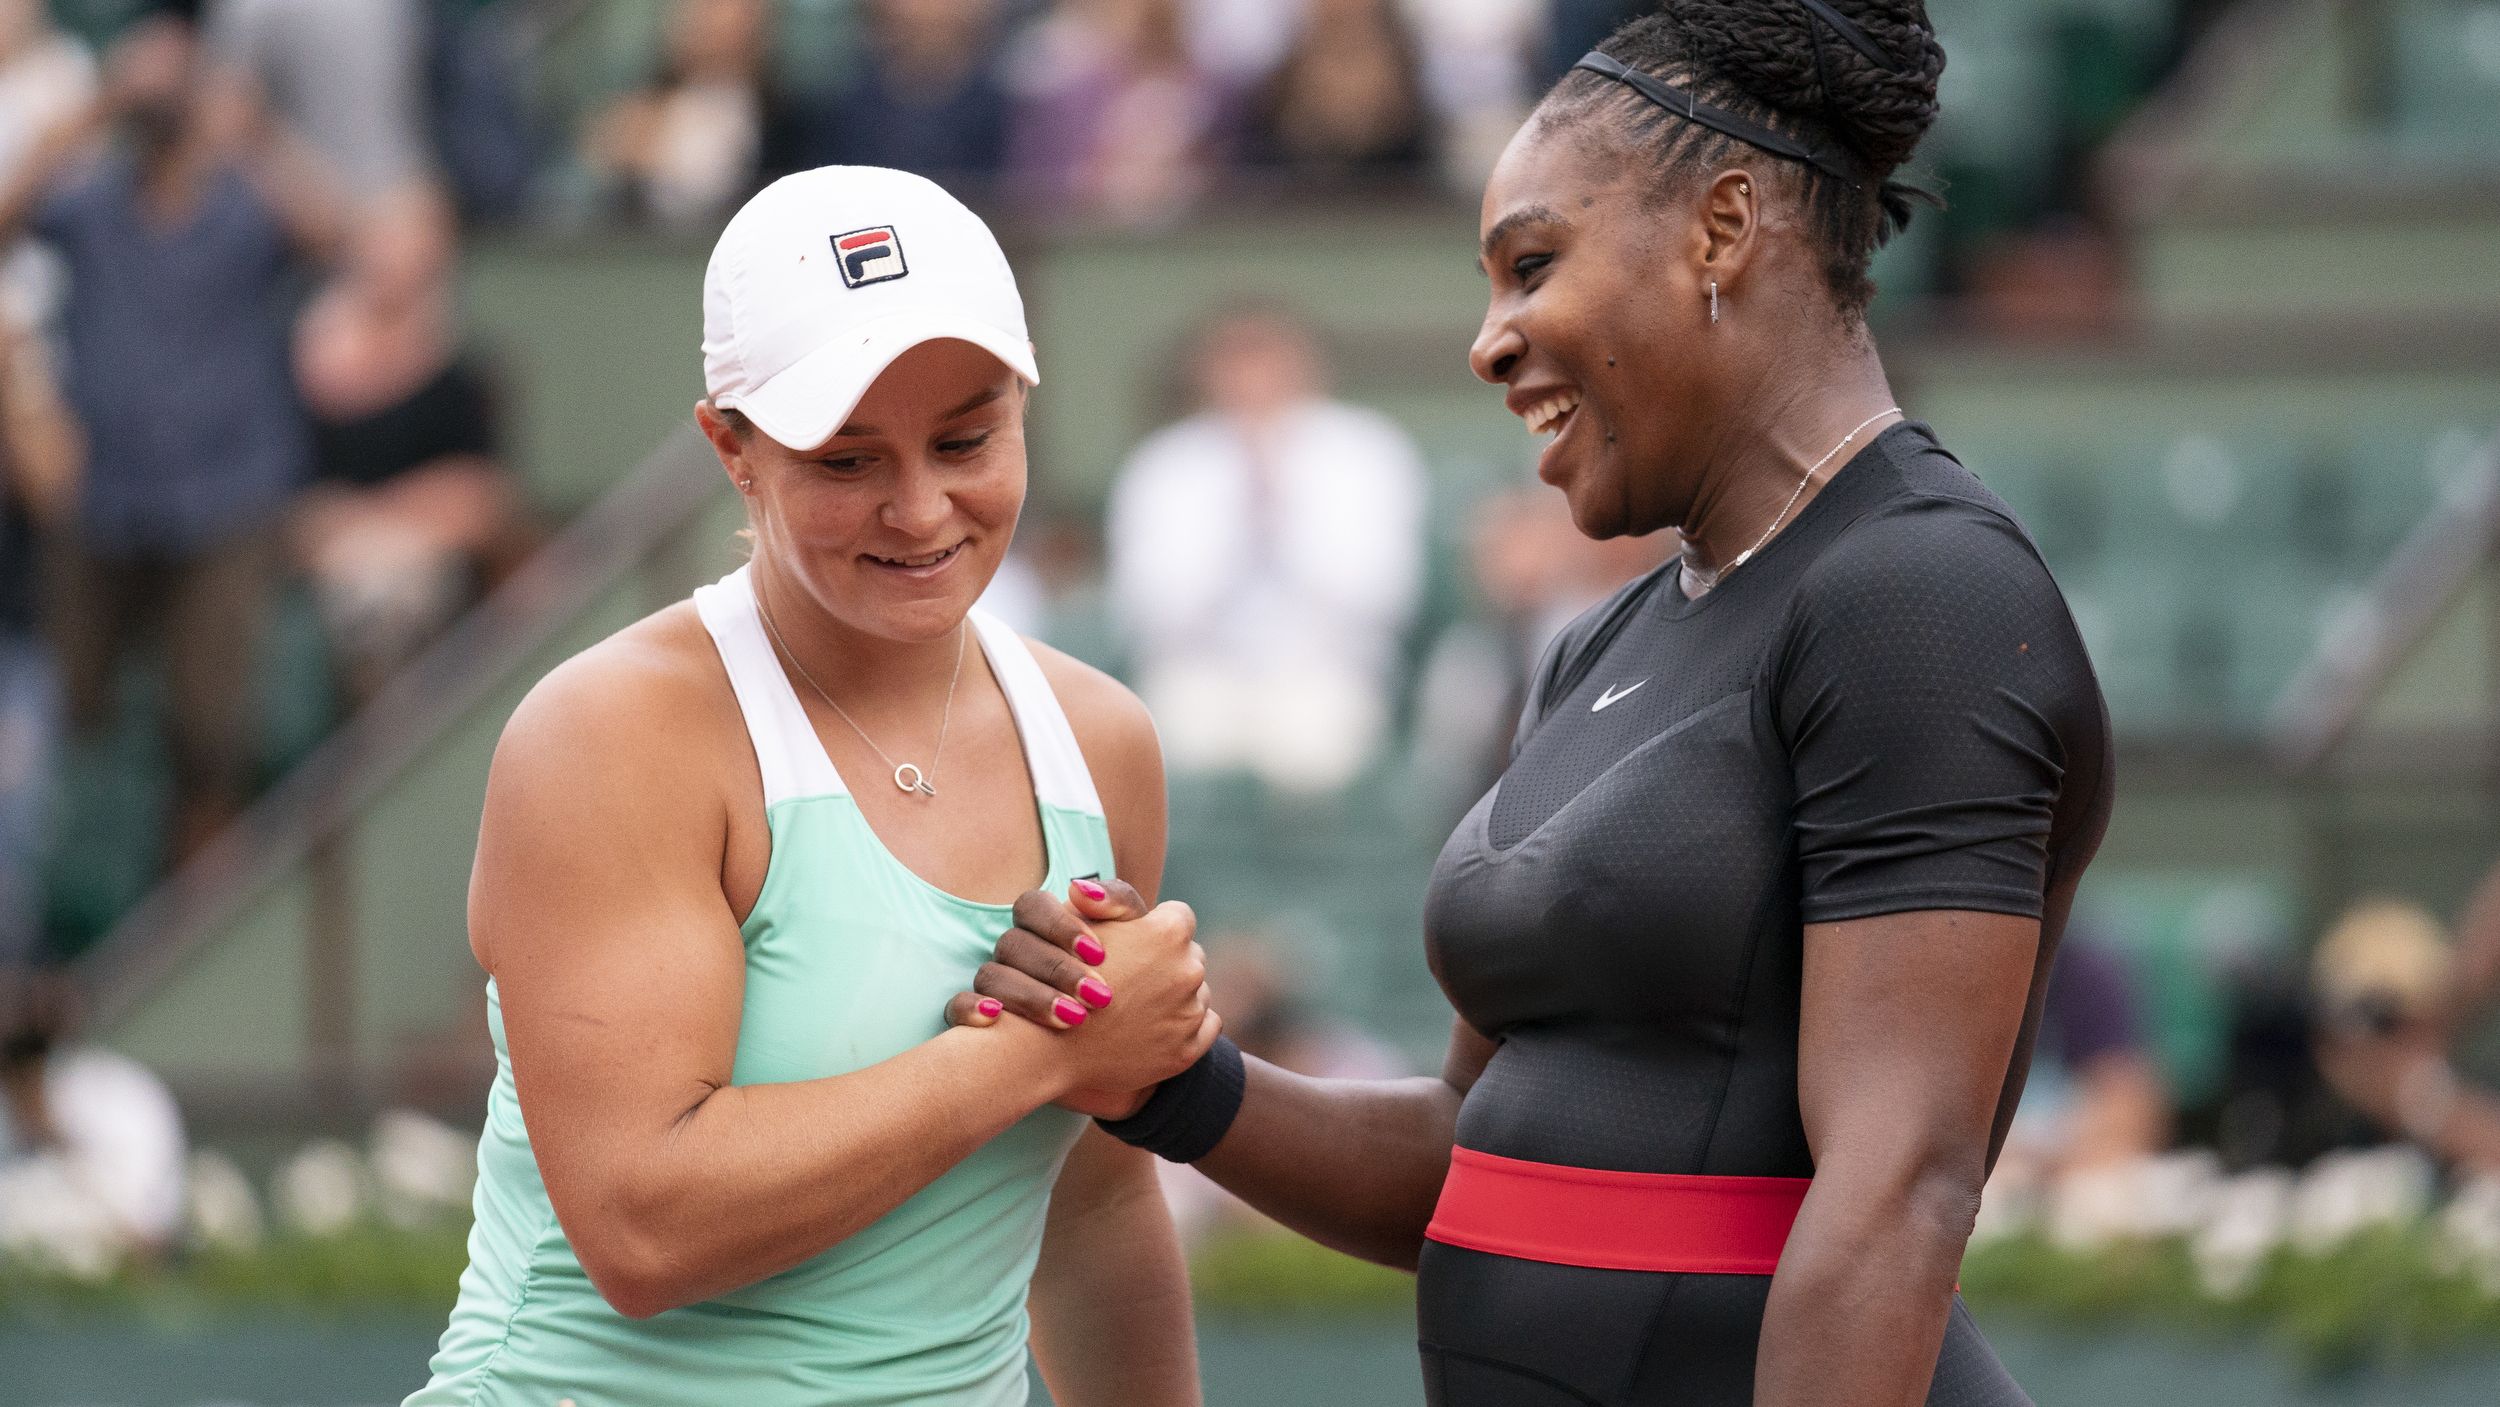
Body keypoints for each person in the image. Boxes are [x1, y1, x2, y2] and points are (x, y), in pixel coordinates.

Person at [953, 4, 2116, 1403]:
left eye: (1533, 265)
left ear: (1724, 226)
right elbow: (1476, 1154)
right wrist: (1177, 1083)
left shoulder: (1922, 592)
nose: (1490, 342)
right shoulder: (1600, 641)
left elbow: (1896, 1196)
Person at [406, 165, 1217, 1406]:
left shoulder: (1100, 740)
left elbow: (1094, 1210)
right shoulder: (608, 733)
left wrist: (1073, 1068)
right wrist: (1033, 1061)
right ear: (730, 451)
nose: (920, 507)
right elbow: (644, 1229)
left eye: (966, 439)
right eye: (845, 462)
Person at [0, 13, 343, 864]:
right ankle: (72, 912)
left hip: (223, 495)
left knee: (211, 730)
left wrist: (251, 128)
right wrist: (91, 111)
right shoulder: (88, 202)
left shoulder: (241, 205)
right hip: (106, 498)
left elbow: (337, 237)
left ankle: (192, 916)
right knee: (70, 715)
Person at [1105, 302, 1427, 793]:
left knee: (1317, 749)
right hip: (1201, 673)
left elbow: (1386, 596)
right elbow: (1146, 609)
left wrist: (1283, 516)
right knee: (1177, 739)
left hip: (1327, 670)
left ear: (1305, 363)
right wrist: (1238, 521)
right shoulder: (1166, 463)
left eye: (1266, 356)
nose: (1252, 377)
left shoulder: (1365, 450)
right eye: (1234, 360)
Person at [292, 179, 530, 706]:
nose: (394, 267)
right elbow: (297, 514)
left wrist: (382, 521)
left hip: (431, 570)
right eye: (381, 246)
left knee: (398, 597)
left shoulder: (462, 376)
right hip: (334, 573)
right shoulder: (303, 371)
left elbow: (484, 499)